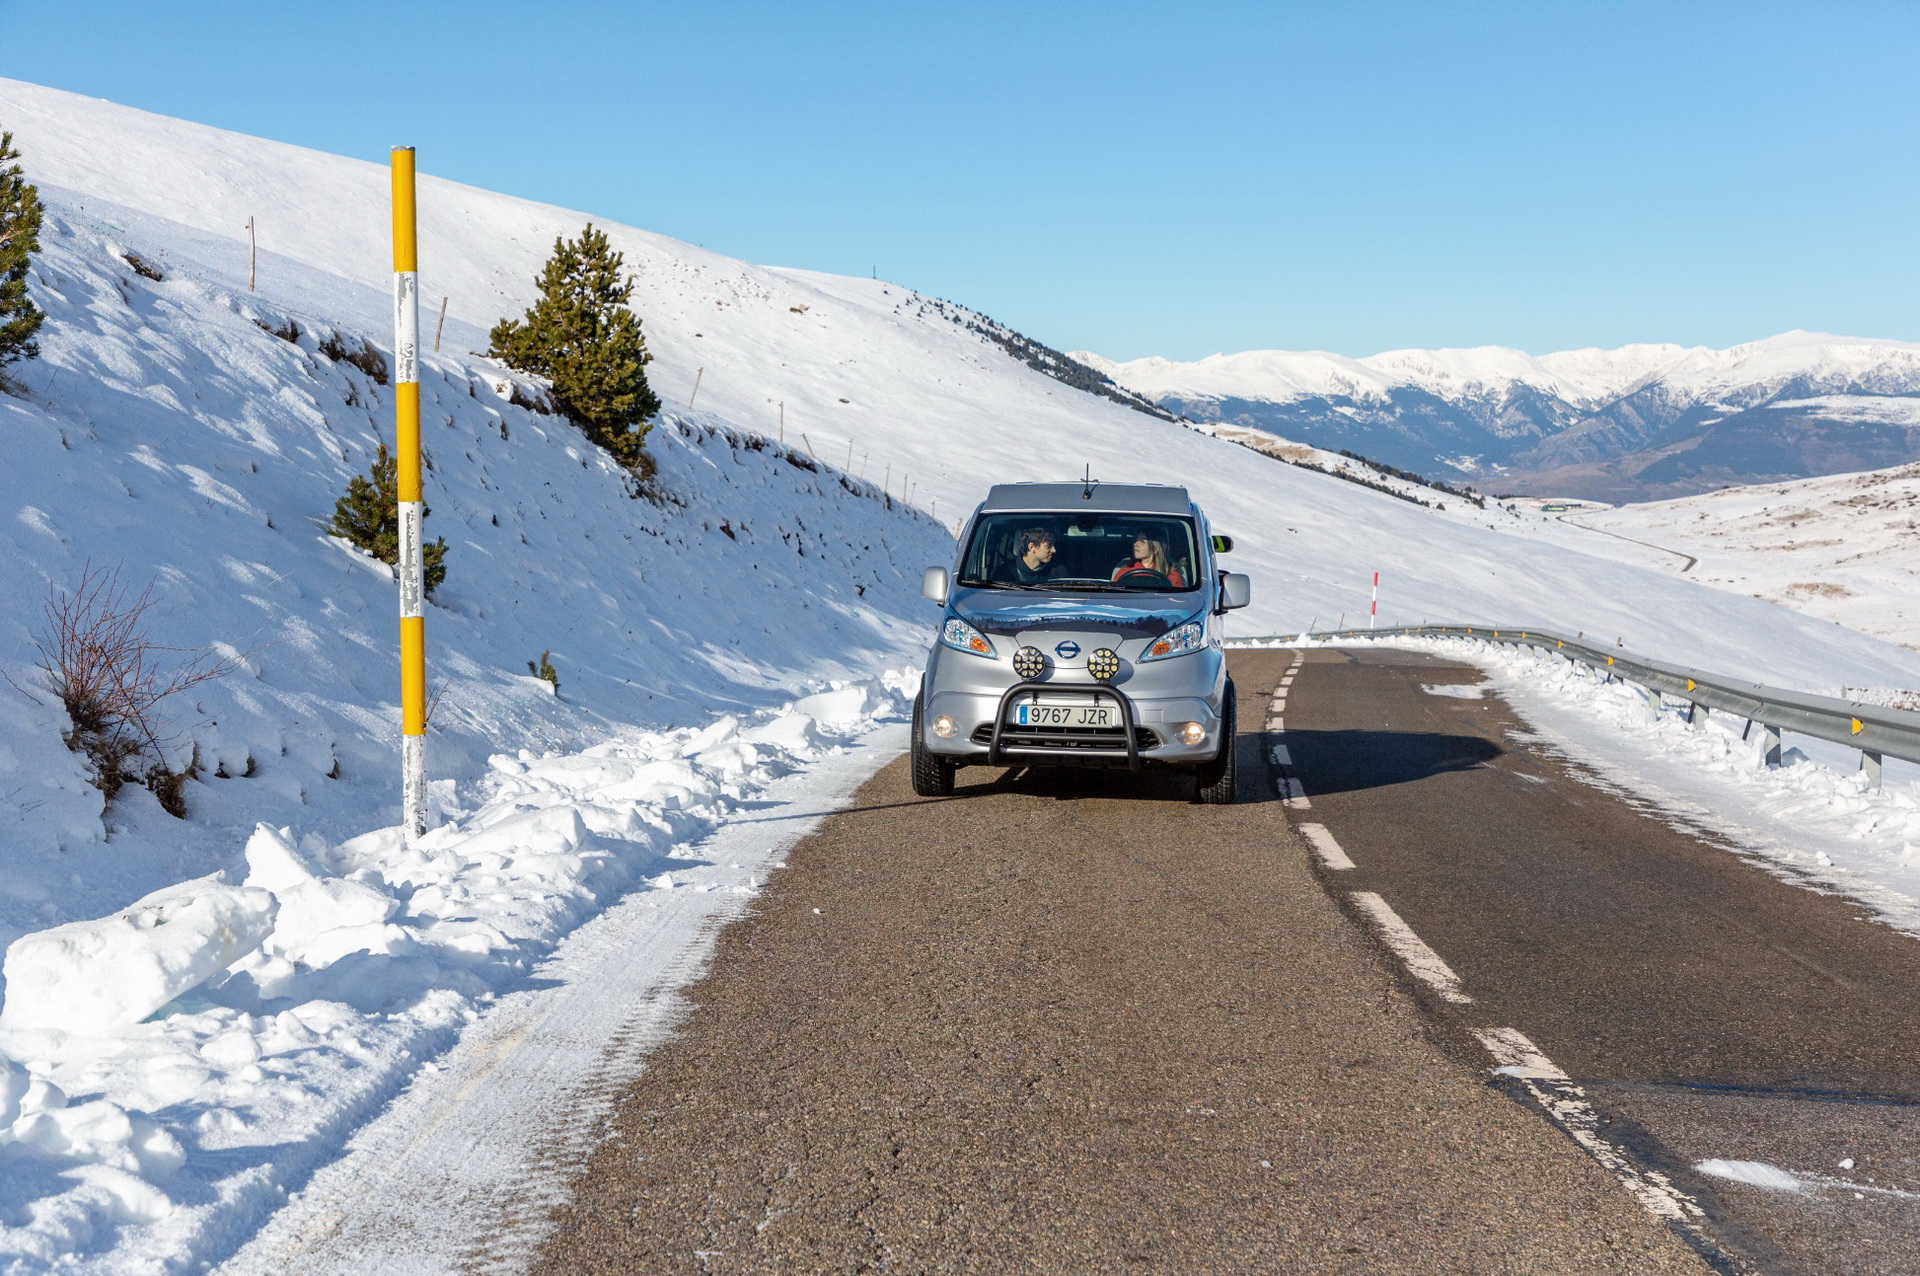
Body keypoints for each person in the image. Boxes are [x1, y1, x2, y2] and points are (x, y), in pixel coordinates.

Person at [1112, 532, 1184, 587]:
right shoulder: (1125, 571)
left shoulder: (1171, 575)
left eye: (1143, 541)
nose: (1135, 544)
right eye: (1136, 540)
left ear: (1156, 548)